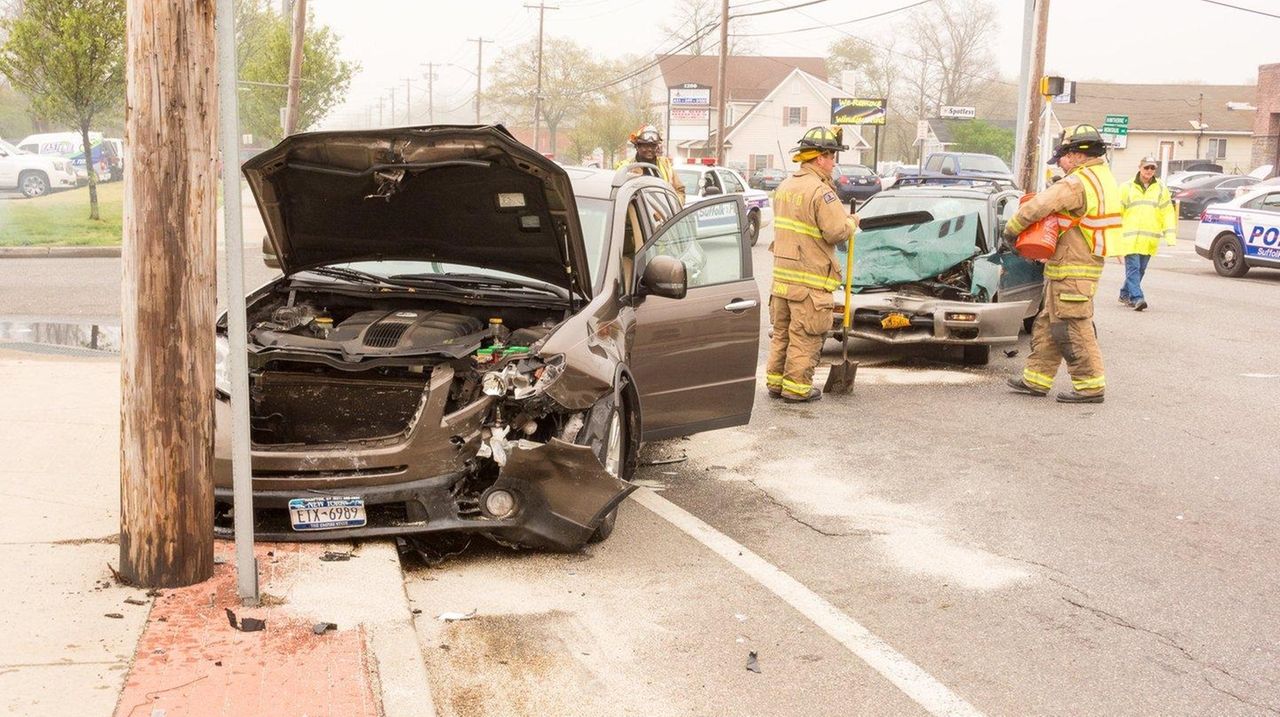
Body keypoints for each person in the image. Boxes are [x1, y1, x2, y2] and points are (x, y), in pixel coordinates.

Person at [1003, 124, 1121, 404]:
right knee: (1047, 323)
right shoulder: (1102, 177)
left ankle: (1090, 385)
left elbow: (1039, 205)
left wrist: (1012, 229)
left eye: (1067, 153)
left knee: (1073, 325)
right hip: (1072, 265)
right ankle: (1036, 379)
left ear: (1079, 155)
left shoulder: (1079, 181)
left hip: (1074, 266)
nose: (1065, 160)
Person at [765, 126, 857, 403]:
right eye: (832, 157)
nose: (834, 163)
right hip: (809, 280)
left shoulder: (785, 186)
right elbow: (835, 232)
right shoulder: (821, 192)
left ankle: (776, 382)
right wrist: (852, 223)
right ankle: (796, 388)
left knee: (782, 334)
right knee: (806, 336)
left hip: (782, 281)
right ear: (819, 159)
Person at [1114, 156, 1177, 311]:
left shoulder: (1161, 189)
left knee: (1140, 270)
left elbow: (1167, 212)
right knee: (1134, 268)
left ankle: (1125, 293)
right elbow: (1117, 213)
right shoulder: (1126, 188)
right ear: (1139, 168)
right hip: (1129, 238)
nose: (1149, 171)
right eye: (1146, 167)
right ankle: (1137, 298)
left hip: (1149, 239)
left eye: (1152, 168)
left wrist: (1170, 235)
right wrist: (1114, 236)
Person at [617, 125, 685, 203]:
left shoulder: (665, 165)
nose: (649, 149)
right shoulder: (627, 168)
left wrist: (673, 205)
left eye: (653, 146)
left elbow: (680, 190)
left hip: (663, 212)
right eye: (645, 146)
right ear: (637, 147)